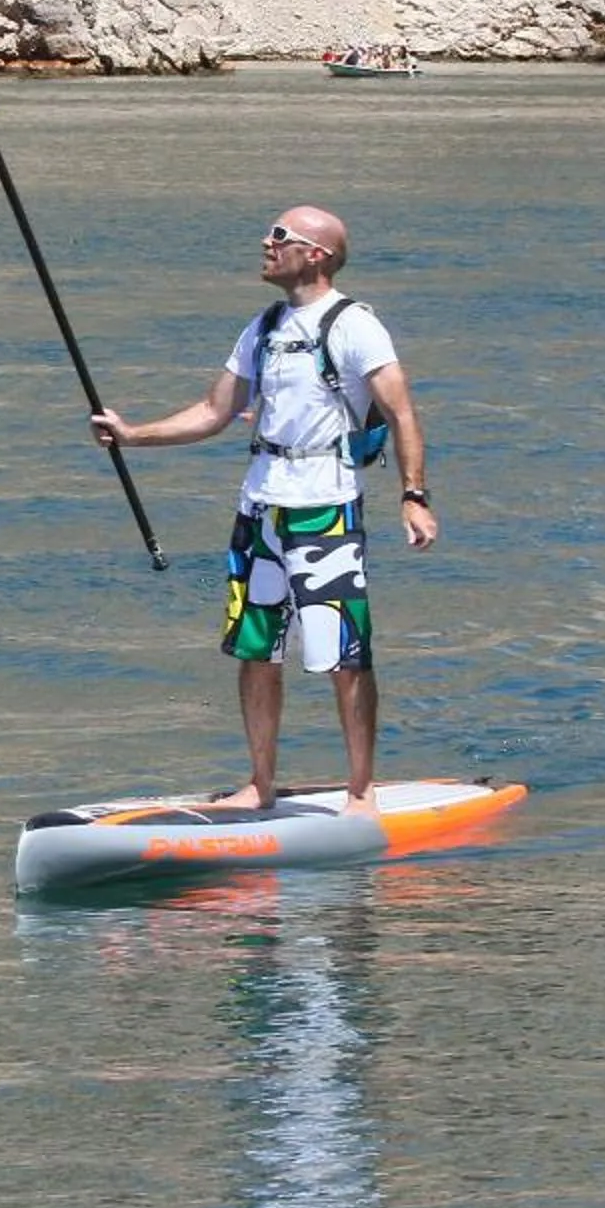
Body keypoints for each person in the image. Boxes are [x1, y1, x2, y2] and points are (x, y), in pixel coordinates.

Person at [90, 206, 436, 817]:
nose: (266, 243)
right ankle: (260, 783)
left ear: (316, 254)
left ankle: (361, 792)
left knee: (344, 654)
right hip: (260, 507)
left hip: (324, 509)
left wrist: (413, 496)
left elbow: (402, 413)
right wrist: (133, 435)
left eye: (280, 236)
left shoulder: (355, 326)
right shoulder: (264, 326)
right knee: (255, 650)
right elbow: (214, 411)